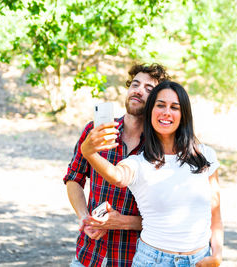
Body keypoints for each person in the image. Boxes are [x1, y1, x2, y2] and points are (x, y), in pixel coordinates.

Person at [81, 81, 224, 266]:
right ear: (150, 112)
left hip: (201, 259)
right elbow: (116, 175)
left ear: (184, 115)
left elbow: (215, 215)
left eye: (175, 107)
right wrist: (89, 152)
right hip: (153, 261)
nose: (166, 112)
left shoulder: (206, 156)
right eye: (160, 105)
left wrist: (217, 257)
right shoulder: (139, 163)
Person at [63, 63, 171, 267]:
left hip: (133, 259)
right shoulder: (96, 133)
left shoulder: (162, 148)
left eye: (149, 89)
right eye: (135, 85)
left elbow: (168, 214)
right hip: (88, 256)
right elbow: (73, 178)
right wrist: (84, 218)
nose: (139, 90)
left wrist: (124, 222)